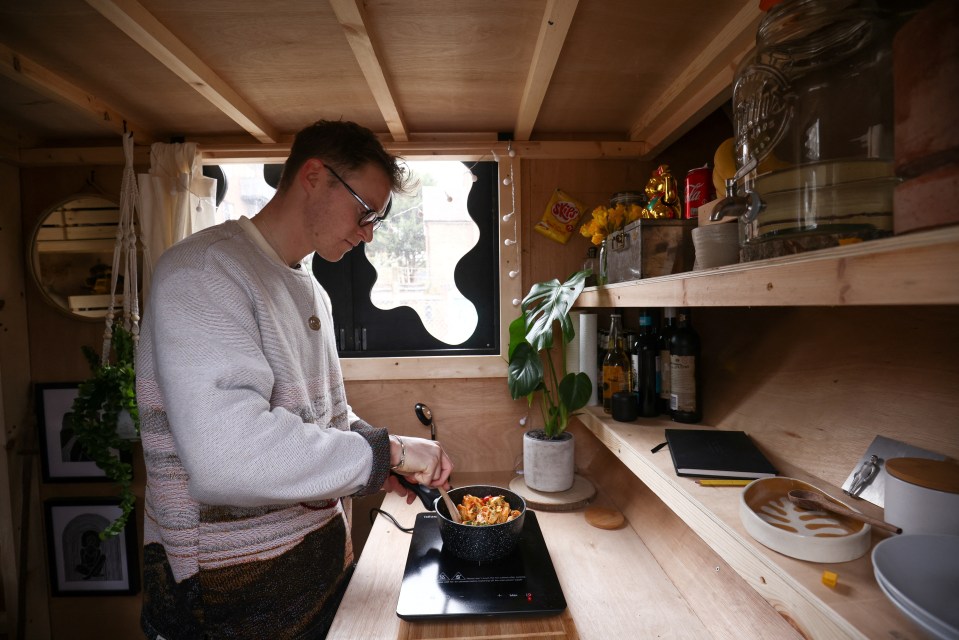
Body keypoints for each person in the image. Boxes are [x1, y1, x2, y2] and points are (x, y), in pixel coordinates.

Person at [136, 120, 453, 639]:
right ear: (313, 175)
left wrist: (373, 459)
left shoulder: (310, 289)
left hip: (315, 583)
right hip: (227, 605)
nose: (369, 231)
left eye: (379, 218)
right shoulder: (203, 273)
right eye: (364, 210)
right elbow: (227, 457)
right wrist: (387, 452)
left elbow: (322, 417)